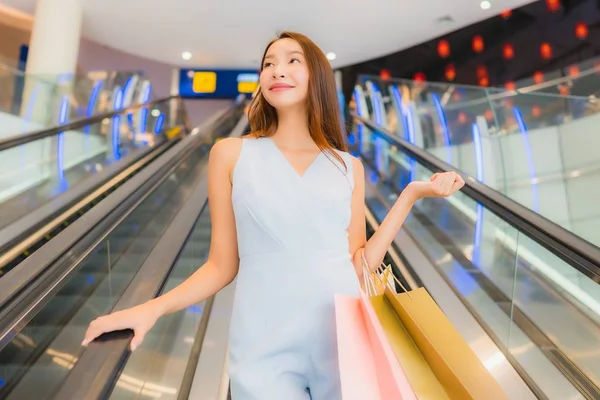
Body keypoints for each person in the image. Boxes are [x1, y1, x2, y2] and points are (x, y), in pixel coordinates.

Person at [82, 31, 465, 399]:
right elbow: (220, 265)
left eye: (292, 61)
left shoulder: (348, 166)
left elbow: (360, 265)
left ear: (317, 76)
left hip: (342, 335)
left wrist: (410, 196)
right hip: (262, 339)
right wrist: (151, 309)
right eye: (268, 63)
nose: (277, 70)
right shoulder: (230, 154)